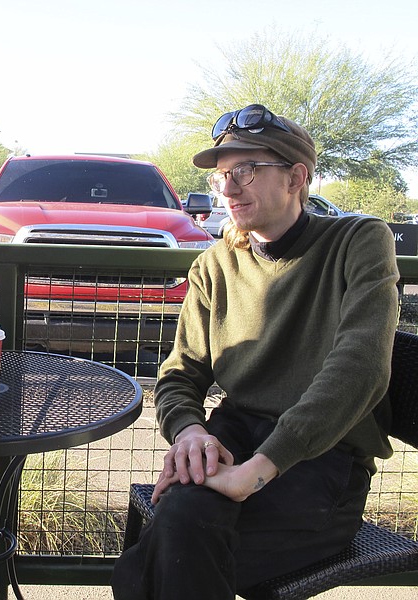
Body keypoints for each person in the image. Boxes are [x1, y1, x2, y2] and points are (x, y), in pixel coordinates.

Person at [112, 104, 399, 599]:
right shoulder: (215, 265)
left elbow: (361, 367)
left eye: (245, 170)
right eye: (224, 174)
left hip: (324, 460)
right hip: (232, 437)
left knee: (158, 560)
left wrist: (258, 471)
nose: (227, 187)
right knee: (181, 527)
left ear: (296, 178)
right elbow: (181, 372)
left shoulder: (358, 241)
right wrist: (188, 433)